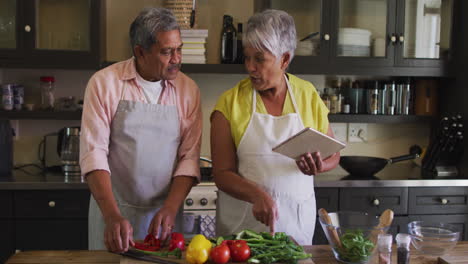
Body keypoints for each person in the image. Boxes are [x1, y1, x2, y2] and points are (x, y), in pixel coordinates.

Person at [211, 9, 340, 245]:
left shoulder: (308, 95)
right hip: (243, 231)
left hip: (296, 227)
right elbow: (221, 174)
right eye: (246, 57)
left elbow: (334, 155)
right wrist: (257, 195)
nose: (250, 67)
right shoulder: (230, 103)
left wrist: (319, 165)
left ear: (284, 59)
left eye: (259, 58)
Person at [80, 7, 202, 252]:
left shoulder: (188, 91)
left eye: (179, 49)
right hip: (113, 211)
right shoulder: (104, 84)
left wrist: (170, 208)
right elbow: (94, 153)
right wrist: (112, 215)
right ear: (140, 52)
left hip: (165, 217)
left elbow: (188, 158)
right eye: (167, 52)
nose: (177, 58)